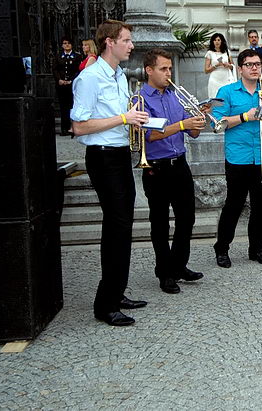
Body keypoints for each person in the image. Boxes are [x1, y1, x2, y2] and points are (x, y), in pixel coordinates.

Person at [70, 19, 149, 326]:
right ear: (109, 43)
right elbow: (79, 126)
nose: (131, 45)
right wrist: (123, 119)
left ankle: (117, 292)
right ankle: (105, 305)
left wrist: (135, 120)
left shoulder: (118, 75)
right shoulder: (89, 78)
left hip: (119, 154)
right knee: (116, 227)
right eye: (126, 40)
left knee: (124, 226)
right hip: (102, 157)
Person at [140, 49, 206, 294]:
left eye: (170, 68)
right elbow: (150, 134)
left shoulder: (175, 96)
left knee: (187, 218)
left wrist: (199, 118)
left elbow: (193, 133)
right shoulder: (140, 99)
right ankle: (164, 272)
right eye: (163, 69)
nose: (169, 73)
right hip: (156, 168)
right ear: (149, 70)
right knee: (160, 223)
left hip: (180, 164)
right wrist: (181, 124)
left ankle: (178, 265)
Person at [211, 48, 262, 268]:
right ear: (240, 68)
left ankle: (256, 249)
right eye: (249, 64)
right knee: (234, 205)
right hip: (238, 158)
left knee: (261, 207)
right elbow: (217, 124)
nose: (254, 68)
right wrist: (245, 116)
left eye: (257, 64)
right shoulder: (226, 91)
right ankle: (222, 249)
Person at [54, 37, 83, 135]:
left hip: (72, 85)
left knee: (73, 106)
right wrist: (59, 79)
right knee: (63, 107)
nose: (66, 45)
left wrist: (72, 80)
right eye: (64, 43)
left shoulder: (77, 56)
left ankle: (73, 127)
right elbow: (55, 69)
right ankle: (64, 128)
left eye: (68, 43)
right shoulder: (58, 56)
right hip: (61, 85)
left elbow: (78, 70)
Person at [204, 33, 235, 98]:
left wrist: (228, 65)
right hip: (214, 79)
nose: (217, 42)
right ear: (212, 42)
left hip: (226, 78)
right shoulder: (210, 53)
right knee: (215, 98)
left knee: (227, 97)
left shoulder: (227, 52)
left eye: (218, 40)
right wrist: (216, 65)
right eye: (215, 40)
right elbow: (206, 70)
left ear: (222, 41)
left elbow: (233, 67)